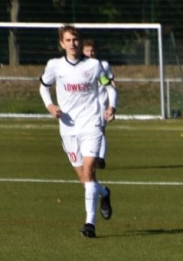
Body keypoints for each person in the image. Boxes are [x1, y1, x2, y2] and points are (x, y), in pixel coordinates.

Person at [40, 25, 116, 238]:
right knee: (84, 178)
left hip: (91, 124)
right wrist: (50, 105)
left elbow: (109, 87)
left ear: (80, 42)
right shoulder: (54, 66)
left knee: (90, 170)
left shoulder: (94, 65)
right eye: (68, 40)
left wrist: (112, 107)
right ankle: (104, 193)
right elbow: (43, 86)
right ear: (61, 43)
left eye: (75, 40)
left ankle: (90, 223)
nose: (72, 43)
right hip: (68, 127)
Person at [82, 39, 116, 170]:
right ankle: (89, 156)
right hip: (84, 105)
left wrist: (111, 106)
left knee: (100, 131)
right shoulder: (78, 68)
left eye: (92, 51)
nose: (90, 53)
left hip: (101, 103)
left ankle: (100, 158)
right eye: (87, 51)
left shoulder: (104, 65)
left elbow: (112, 84)